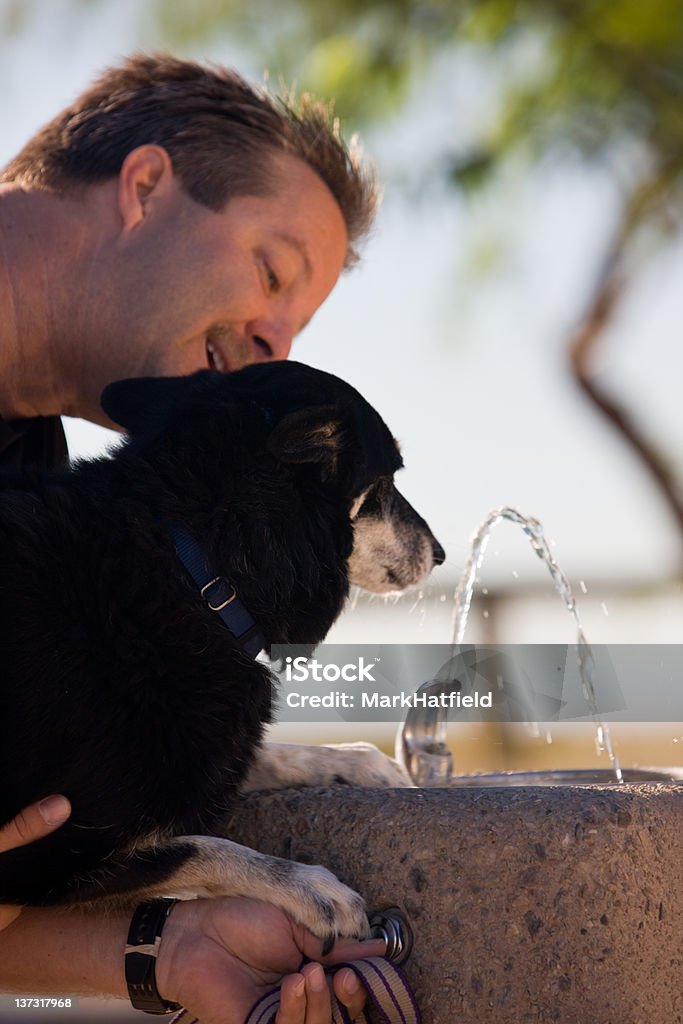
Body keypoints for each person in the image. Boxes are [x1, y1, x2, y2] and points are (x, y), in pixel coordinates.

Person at [0, 53, 384, 1023]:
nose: (276, 344)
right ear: (144, 187)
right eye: (271, 273)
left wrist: (169, 952)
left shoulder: (39, 503)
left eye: (295, 322)